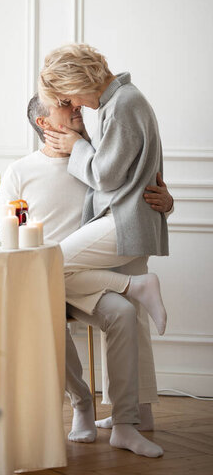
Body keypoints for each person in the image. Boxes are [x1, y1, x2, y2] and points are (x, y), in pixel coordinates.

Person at [0, 94, 173, 458]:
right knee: (46, 307)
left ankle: (124, 423)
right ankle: (82, 405)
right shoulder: (21, 171)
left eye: (75, 104)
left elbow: (137, 203)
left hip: (89, 276)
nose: (77, 108)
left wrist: (167, 203)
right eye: (64, 105)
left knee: (122, 314)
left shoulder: (98, 160)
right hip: (43, 280)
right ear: (44, 123)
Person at [37, 43, 171, 456]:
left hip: (124, 221)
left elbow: (108, 176)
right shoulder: (122, 103)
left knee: (48, 265)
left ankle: (138, 287)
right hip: (129, 219)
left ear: (78, 81)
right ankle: (135, 417)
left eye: (68, 95)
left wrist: (75, 147)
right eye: (63, 102)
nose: (73, 104)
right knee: (134, 328)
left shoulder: (124, 103)